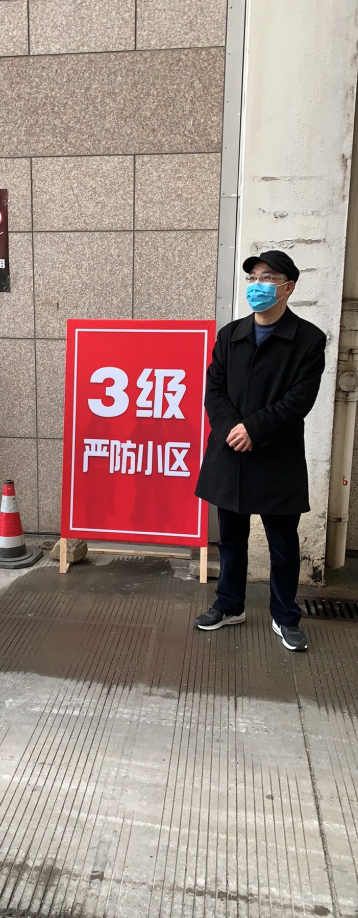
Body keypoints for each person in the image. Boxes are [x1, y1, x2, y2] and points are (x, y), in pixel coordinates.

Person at [194, 250, 326, 651]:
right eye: (252, 278)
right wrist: (232, 429)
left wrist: (254, 429)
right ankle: (229, 604)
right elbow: (214, 390)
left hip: (276, 458)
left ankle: (285, 616)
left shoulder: (308, 340)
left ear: (288, 287)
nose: (257, 286)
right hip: (230, 453)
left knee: (283, 545)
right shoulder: (230, 335)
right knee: (230, 539)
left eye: (267, 278)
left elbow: (298, 400)